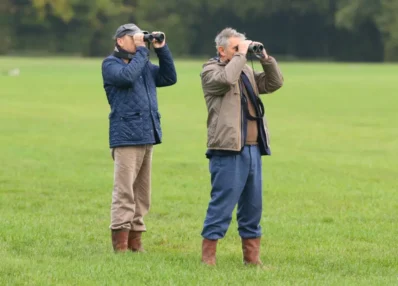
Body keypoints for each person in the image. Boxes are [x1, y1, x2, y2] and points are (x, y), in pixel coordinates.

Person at [200, 27, 284, 265]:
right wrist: (240, 56)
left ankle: (252, 259)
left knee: (253, 206)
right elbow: (226, 80)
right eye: (236, 48)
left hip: (253, 149)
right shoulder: (210, 71)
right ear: (221, 50)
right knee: (222, 204)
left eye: (242, 47)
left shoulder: (245, 69)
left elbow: (274, 83)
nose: (242, 53)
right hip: (227, 150)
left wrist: (265, 59)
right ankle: (208, 258)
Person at [101, 23, 177, 252]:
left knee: (142, 194)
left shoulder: (143, 64)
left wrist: (161, 49)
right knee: (125, 191)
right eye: (133, 38)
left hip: (147, 134)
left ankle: (136, 242)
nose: (138, 42)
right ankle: (121, 245)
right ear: (120, 40)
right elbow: (126, 78)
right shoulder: (110, 64)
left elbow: (169, 77)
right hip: (125, 136)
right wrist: (143, 51)